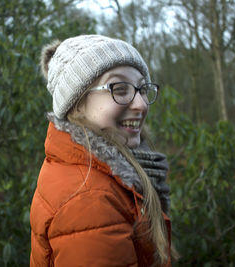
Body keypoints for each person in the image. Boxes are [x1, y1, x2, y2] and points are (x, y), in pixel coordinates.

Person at [30, 34, 174, 266]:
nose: (141, 104)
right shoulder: (88, 198)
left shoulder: (102, 175)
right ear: (77, 102)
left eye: (142, 89)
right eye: (119, 88)